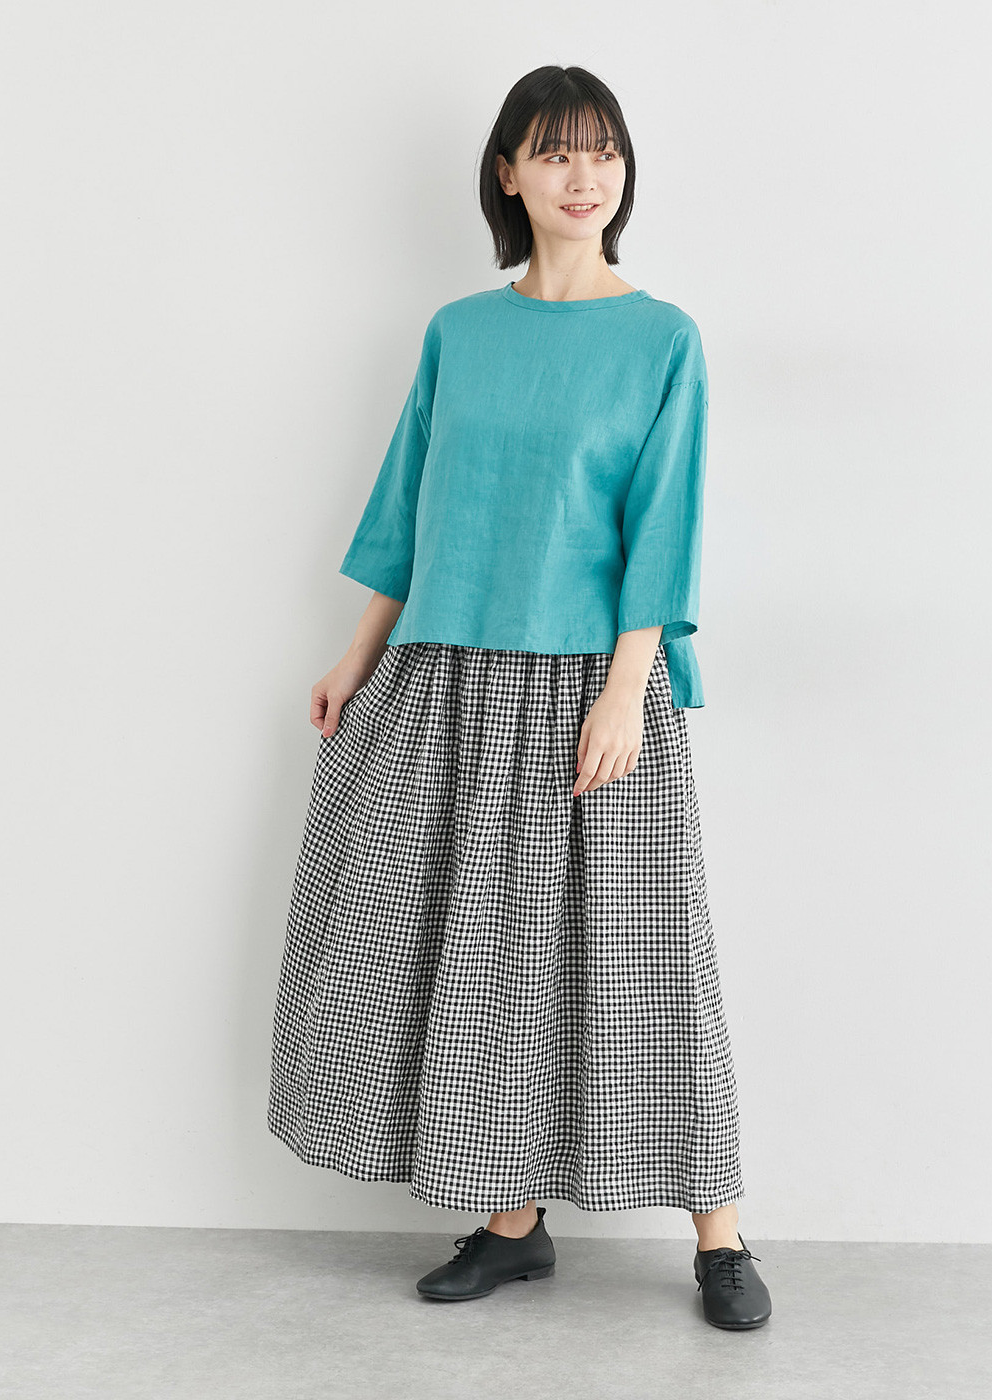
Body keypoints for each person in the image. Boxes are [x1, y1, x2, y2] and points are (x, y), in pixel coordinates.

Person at [267, 64, 772, 1331]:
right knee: (480, 954)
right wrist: (357, 651)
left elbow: (664, 524)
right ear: (508, 173)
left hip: (596, 684)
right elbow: (411, 504)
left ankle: (719, 1232)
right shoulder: (458, 332)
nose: (582, 175)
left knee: (644, 956)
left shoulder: (662, 338)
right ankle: (511, 1220)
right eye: (553, 152)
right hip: (448, 674)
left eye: (602, 151)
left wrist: (626, 688)